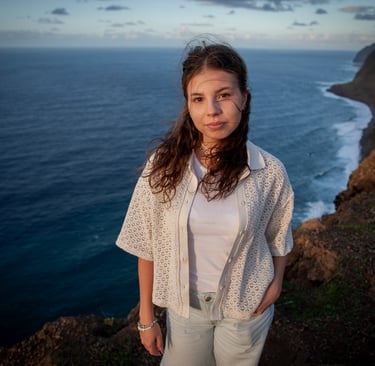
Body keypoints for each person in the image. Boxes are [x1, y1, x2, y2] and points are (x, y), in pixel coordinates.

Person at [116, 39, 294, 366]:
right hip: (185, 310)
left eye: (224, 95)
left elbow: (278, 236)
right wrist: (147, 318)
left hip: (246, 307)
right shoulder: (163, 166)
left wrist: (277, 284)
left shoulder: (269, 172)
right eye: (199, 99)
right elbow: (147, 245)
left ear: (244, 98)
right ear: (189, 105)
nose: (211, 110)